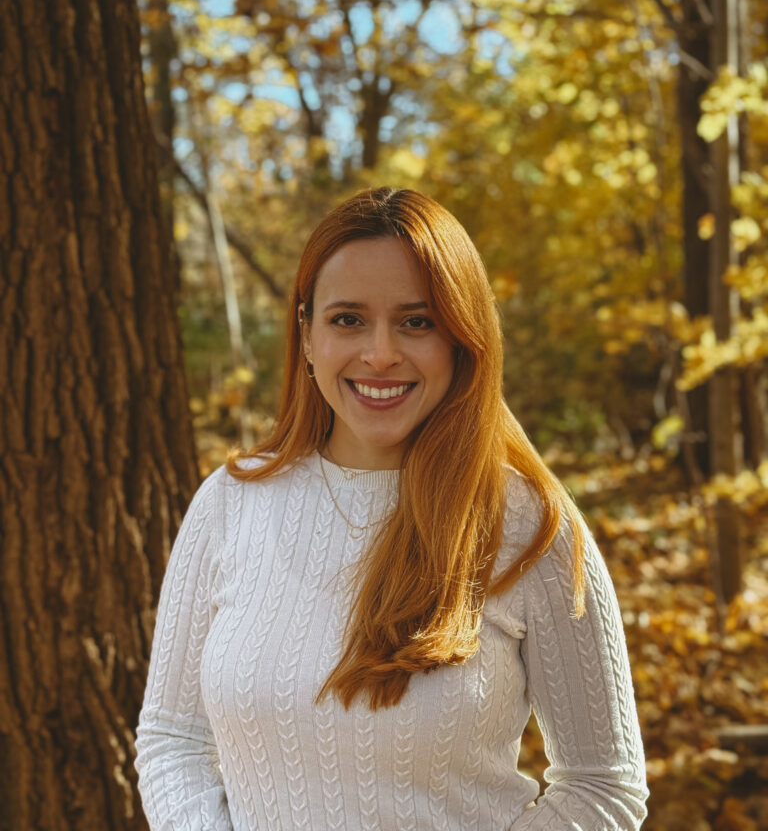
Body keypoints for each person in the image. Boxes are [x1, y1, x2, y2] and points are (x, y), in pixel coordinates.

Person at [135, 186, 648, 830]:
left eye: (417, 321)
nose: (380, 353)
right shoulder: (230, 503)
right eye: (348, 318)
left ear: (463, 338)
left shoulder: (530, 523)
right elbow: (172, 739)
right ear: (308, 333)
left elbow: (603, 785)